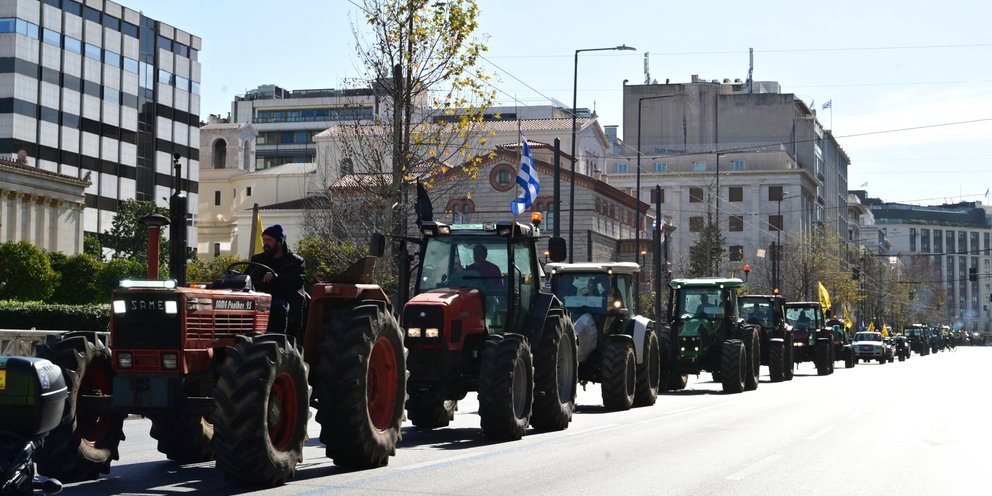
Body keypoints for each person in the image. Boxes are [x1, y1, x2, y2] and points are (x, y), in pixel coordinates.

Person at [249, 224, 307, 336]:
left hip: (286, 297)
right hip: (260, 297)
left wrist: (276, 277)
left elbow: (297, 282)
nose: (266, 243)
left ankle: (279, 341)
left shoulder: (295, 261)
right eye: (264, 239)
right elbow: (248, 276)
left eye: (269, 240)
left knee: (279, 306)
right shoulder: (258, 259)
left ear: (279, 242)